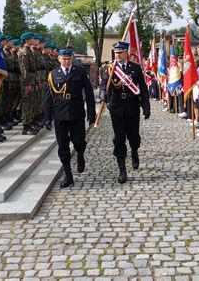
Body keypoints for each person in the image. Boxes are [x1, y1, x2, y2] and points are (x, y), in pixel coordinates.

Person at [43, 48, 96, 188]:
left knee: (79, 141)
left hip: (77, 111)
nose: (66, 61)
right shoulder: (53, 74)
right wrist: (47, 118)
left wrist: (92, 113)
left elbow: (89, 93)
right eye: (64, 59)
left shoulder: (80, 72)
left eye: (69, 59)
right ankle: (68, 175)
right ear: (59, 59)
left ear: (72, 59)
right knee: (63, 145)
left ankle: (80, 154)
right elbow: (49, 96)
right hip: (60, 113)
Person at [99, 41, 150, 184]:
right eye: (116, 53)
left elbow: (143, 89)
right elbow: (104, 84)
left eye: (120, 52)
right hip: (116, 108)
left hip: (132, 106)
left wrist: (146, 107)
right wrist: (103, 94)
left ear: (126, 53)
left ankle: (134, 150)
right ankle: (122, 170)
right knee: (119, 139)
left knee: (134, 137)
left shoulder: (135, 68)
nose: (118, 55)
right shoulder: (110, 69)